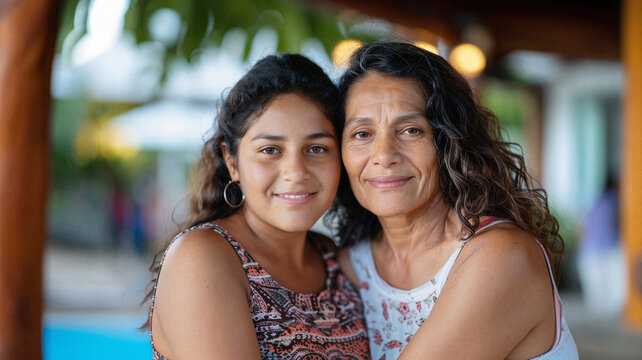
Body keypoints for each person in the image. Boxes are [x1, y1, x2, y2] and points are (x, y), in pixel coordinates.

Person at [331, 42, 578, 359]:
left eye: (410, 130)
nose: (384, 156)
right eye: (362, 134)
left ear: (448, 143)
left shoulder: (499, 257)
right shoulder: (350, 267)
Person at [143, 54, 370, 359]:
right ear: (232, 161)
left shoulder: (331, 259)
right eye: (270, 150)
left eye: (317, 148)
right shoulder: (203, 257)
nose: (296, 171)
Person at [576, 174, 624, 315]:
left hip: (591, 249)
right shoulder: (614, 202)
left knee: (596, 291)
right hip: (609, 247)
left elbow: (582, 227)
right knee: (612, 288)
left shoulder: (595, 202)